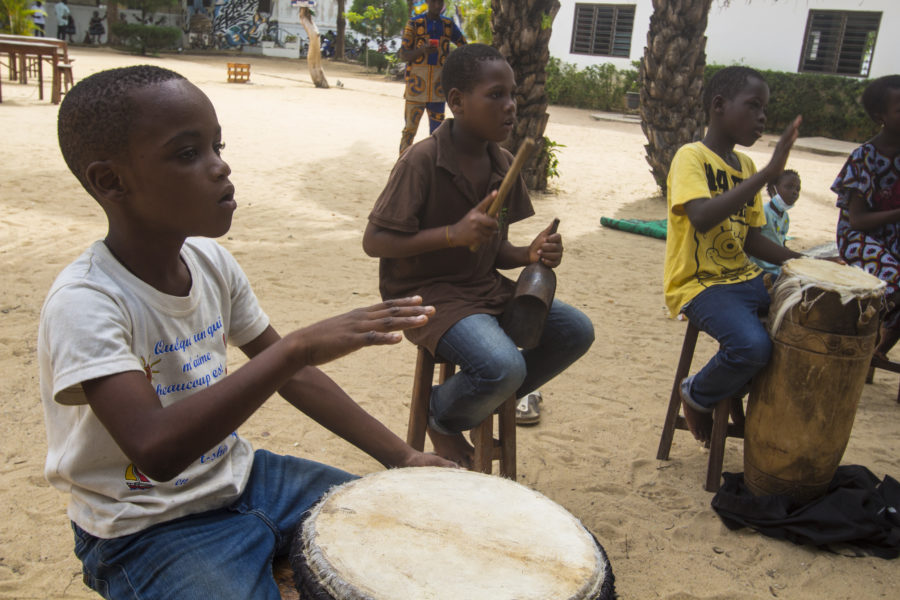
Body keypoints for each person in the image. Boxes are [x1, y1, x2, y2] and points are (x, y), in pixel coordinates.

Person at [40, 65, 455, 599]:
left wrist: (403, 457)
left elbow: (297, 378)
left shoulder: (210, 262)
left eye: (217, 146)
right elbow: (156, 451)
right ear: (110, 181)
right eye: (188, 153)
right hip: (145, 527)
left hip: (248, 481)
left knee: (399, 520)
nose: (220, 167)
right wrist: (295, 348)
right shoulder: (87, 302)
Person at [363, 44, 594, 466]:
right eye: (495, 95)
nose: (509, 107)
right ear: (456, 102)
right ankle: (441, 415)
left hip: (482, 289)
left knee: (575, 331)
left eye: (513, 96)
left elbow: (492, 248)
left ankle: (464, 403)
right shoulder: (421, 160)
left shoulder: (503, 162)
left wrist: (530, 253)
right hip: (426, 295)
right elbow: (375, 241)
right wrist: (453, 233)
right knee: (505, 366)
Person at [664, 66, 805, 443]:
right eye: (754, 106)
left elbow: (752, 240)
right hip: (699, 285)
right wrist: (769, 173)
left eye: (766, 110)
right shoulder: (690, 157)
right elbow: (703, 217)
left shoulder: (745, 166)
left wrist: (801, 261)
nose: (762, 117)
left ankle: (732, 392)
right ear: (719, 105)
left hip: (745, 278)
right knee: (752, 346)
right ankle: (697, 394)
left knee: (800, 328)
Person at [832, 74, 900, 360]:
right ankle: (859, 340)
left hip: (893, 236)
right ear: (879, 115)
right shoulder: (864, 157)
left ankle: (878, 349)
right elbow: (857, 221)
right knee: (895, 280)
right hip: (860, 238)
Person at [397, 0, 466, 155]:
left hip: (438, 90)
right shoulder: (414, 23)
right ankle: (402, 166)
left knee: (437, 133)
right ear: (427, 2)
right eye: (434, 1)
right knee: (409, 131)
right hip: (416, 88)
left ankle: (435, 168)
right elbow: (403, 55)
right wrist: (422, 50)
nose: (437, 5)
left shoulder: (448, 25)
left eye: (440, 2)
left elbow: (464, 45)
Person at [750, 169, 801, 276]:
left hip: (777, 268)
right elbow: (751, 243)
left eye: (798, 189)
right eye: (789, 187)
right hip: (761, 269)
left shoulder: (785, 217)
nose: (795, 192)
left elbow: (782, 243)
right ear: (773, 189)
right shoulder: (763, 212)